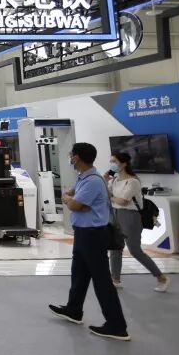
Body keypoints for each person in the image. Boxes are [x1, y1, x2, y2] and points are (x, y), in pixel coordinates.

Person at [49, 142, 130, 341]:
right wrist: (72, 200)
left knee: (101, 280)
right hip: (83, 233)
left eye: (71, 155)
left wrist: (71, 201)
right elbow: (72, 198)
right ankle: (74, 309)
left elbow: (74, 204)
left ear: (76, 157)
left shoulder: (93, 181)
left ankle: (117, 325)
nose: (69, 158)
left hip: (93, 234)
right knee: (79, 273)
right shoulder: (83, 178)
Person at [107, 152, 169, 292]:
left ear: (124, 163)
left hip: (130, 216)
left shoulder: (133, 182)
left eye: (114, 161)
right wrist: (106, 182)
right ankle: (115, 279)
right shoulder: (114, 180)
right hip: (114, 214)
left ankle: (161, 277)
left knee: (135, 250)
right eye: (111, 161)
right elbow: (107, 195)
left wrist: (110, 196)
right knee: (115, 248)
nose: (112, 164)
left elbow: (123, 201)